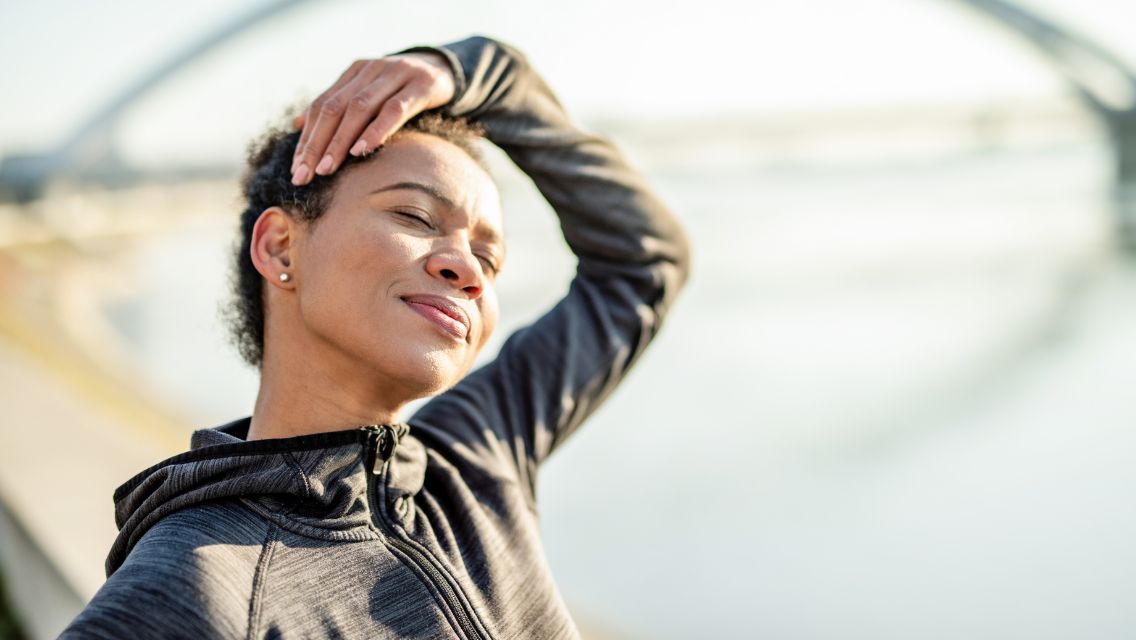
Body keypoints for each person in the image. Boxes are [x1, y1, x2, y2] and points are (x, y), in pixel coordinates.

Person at [62, 34, 689, 639]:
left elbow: (645, 262)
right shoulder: (200, 584)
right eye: (415, 216)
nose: (467, 270)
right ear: (280, 246)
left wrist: (480, 76)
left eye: (489, 260)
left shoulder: (477, 458)